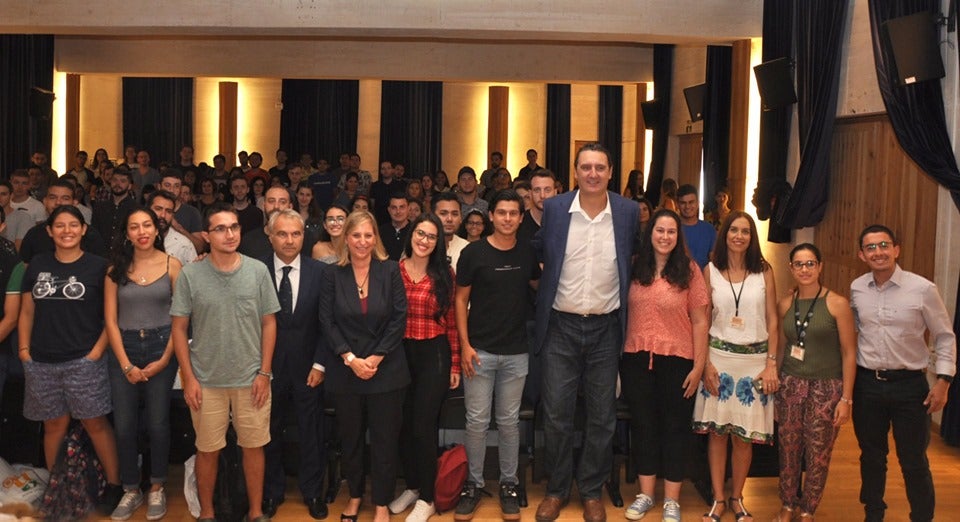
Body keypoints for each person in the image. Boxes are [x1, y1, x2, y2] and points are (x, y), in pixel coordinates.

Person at [532, 143, 639, 522]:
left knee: (602, 415)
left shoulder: (628, 212)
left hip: (606, 328)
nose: (592, 174)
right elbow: (540, 253)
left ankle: (591, 490)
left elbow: (636, 259)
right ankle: (558, 489)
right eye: (585, 167)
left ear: (611, 172)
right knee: (557, 415)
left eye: (600, 167)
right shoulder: (556, 209)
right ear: (575, 171)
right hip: (560, 325)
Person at [171, 202, 281, 522]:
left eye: (234, 227)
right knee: (207, 450)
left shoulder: (257, 270)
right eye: (221, 228)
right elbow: (179, 328)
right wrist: (188, 377)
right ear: (207, 235)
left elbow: (269, 323)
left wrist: (264, 372)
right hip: (206, 380)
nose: (230, 234)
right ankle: (207, 513)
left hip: (252, 379)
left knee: (254, 447)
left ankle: (257, 512)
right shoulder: (191, 274)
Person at [18, 206, 124, 515]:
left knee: (95, 423)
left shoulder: (100, 267)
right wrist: (24, 351)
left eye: (73, 225)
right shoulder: (37, 264)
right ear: (49, 231)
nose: (67, 230)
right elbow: (27, 311)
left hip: (84, 360)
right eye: (60, 226)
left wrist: (96, 352)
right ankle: (58, 488)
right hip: (41, 360)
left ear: (84, 230)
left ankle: (114, 486)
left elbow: (111, 316)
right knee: (53, 425)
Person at [850, 224, 955, 522]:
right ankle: (874, 513)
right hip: (868, 384)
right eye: (870, 247)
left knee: (913, 460)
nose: (878, 252)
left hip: (910, 387)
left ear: (896, 249)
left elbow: (944, 336)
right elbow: (855, 331)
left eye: (884, 245)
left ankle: (922, 517)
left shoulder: (923, 289)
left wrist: (943, 381)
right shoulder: (857, 288)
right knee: (871, 457)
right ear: (862, 254)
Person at [454, 190, 540, 521]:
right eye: (501, 212)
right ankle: (473, 485)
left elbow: (538, 286)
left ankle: (509, 484)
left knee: (508, 422)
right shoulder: (473, 253)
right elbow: (460, 300)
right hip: (479, 352)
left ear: (521, 217)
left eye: (513, 213)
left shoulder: (528, 252)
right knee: (475, 422)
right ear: (490, 216)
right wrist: (464, 345)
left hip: (517, 352)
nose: (507, 218)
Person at [318, 210, 408, 522]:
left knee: (384, 441)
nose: (362, 241)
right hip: (347, 371)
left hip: (386, 370)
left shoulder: (391, 270)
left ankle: (381, 503)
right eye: (356, 235)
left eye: (368, 235)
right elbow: (326, 321)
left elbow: (399, 319)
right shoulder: (332, 274)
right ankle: (355, 497)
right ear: (346, 238)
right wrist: (350, 358)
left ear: (375, 238)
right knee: (351, 439)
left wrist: (376, 357)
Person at [620, 208, 708, 522]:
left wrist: (699, 367)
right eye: (660, 230)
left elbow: (700, 320)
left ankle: (672, 499)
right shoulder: (633, 268)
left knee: (674, 429)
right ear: (650, 233)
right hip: (636, 359)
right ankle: (645, 495)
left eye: (671, 232)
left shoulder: (690, 270)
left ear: (677, 236)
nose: (665, 237)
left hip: (679, 362)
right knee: (643, 426)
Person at [691, 211, 779, 522]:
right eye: (733, 230)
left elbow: (772, 319)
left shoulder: (764, 271)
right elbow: (701, 320)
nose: (739, 236)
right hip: (718, 360)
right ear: (724, 234)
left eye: (745, 231)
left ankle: (738, 498)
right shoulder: (710, 270)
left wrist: (771, 364)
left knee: (744, 437)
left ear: (751, 238)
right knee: (717, 435)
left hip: (754, 363)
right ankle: (718, 499)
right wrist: (704, 364)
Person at [104, 207, 183, 521]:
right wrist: (125, 364)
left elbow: (181, 319)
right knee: (123, 425)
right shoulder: (115, 269)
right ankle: (130, 488)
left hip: (162, 344)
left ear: (157, 229)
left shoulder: (173, 265)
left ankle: (157, 486)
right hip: (123, 348)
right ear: (127, 234)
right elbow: (109, 320)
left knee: (158, 423)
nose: (142, 231)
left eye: (147, 225)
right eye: (134, 227)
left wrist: (164, 359)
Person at [774, 243, 856, 522]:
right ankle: (787, 504)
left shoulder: (838, 303)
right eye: (799, 264)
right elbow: (781, 349)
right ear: (791, 268)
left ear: (820, 266)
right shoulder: (785, 303)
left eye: (810, 263)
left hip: (826, 388)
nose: (805, 269)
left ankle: (808, 508)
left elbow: (849, 353)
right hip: (790, 385)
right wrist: (774, 384)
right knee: (788, 449)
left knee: (818, 452)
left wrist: (846, 398)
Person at [390, 214, 461, 521]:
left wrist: (455, 363)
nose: (424, 240)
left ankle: (429, 498)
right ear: (411, 234)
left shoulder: (445, 273)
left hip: (434, 354)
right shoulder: (394, 271)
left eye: (431, 237)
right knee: (402, 426)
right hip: (399, 354)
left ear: (438, 242)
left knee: (423, 425)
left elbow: (453, 323)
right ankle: (414, 486)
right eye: (420, 233)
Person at [261, 210, 330, 520]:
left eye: (296, 234)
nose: (290, 240)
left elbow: (328, 325)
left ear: (305, 236)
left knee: (310, 431)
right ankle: (271, 492)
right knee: (268, 431)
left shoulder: (321, 273)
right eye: (283, 234)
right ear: (270, 235)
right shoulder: (256, 271)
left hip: (309, 368)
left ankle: (313, 492)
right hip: (267, 369)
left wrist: (320, 364)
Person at [676, 184, 716, 269]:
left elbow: (714, 260)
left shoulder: (709, 229)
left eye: (691, 202)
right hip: (675, 278)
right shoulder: (672, 228)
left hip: (703, 279)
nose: (687, 206)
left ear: (698, 203)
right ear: (677, 205)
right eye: (683, 203)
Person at [431, 191, 468, 271]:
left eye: (454, 214)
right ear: (432, 216)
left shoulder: (467, 248)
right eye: (443, 213)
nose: (449, 219)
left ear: (461, 218)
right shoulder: (420, 245)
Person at [381, 195, 411, 261]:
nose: (398, 211)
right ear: (389, 210)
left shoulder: (415, 231)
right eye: (394, 208)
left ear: (408, 209)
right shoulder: (381, 231)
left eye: (402, 207)